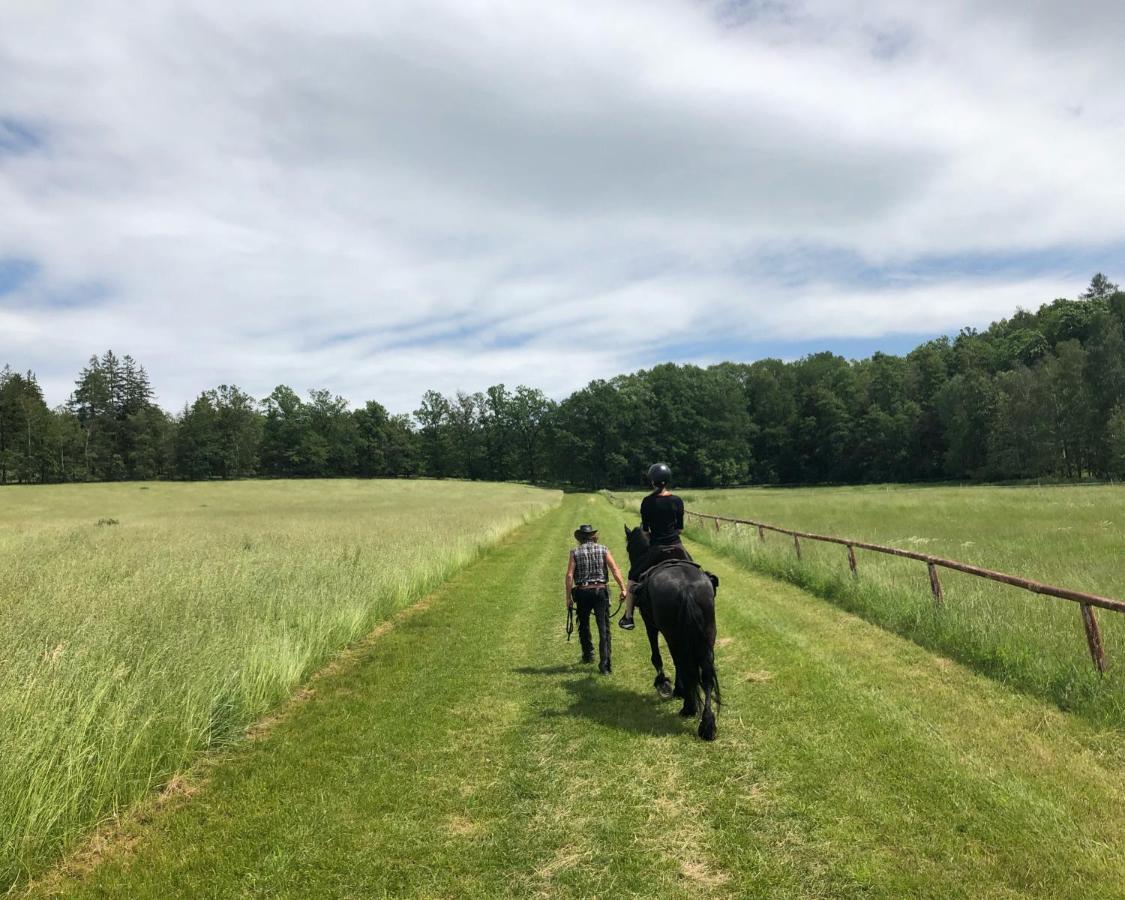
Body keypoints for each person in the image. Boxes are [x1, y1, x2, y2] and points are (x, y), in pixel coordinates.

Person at [619, 462, 690, 630]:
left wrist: (653, 536)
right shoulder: (677, 501)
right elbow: (679, 529)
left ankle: (628, 617)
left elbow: (645, 530)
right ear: (668, 480)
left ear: (652, 481)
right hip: (677, 546)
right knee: (697, 571)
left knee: (632, 577)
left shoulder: (647, 501)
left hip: (656, 548)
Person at [565, 524, 627, 674]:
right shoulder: (603, 549)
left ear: (580, 538)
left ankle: (588, 654)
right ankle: (605, 664)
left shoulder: (575, 552)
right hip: (600, 591)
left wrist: (568, 597)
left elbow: (569, 575)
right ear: (593, 536)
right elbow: (614, 569)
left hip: (583, 591)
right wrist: (623, 588)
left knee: (584, 625)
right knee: (603, 628)